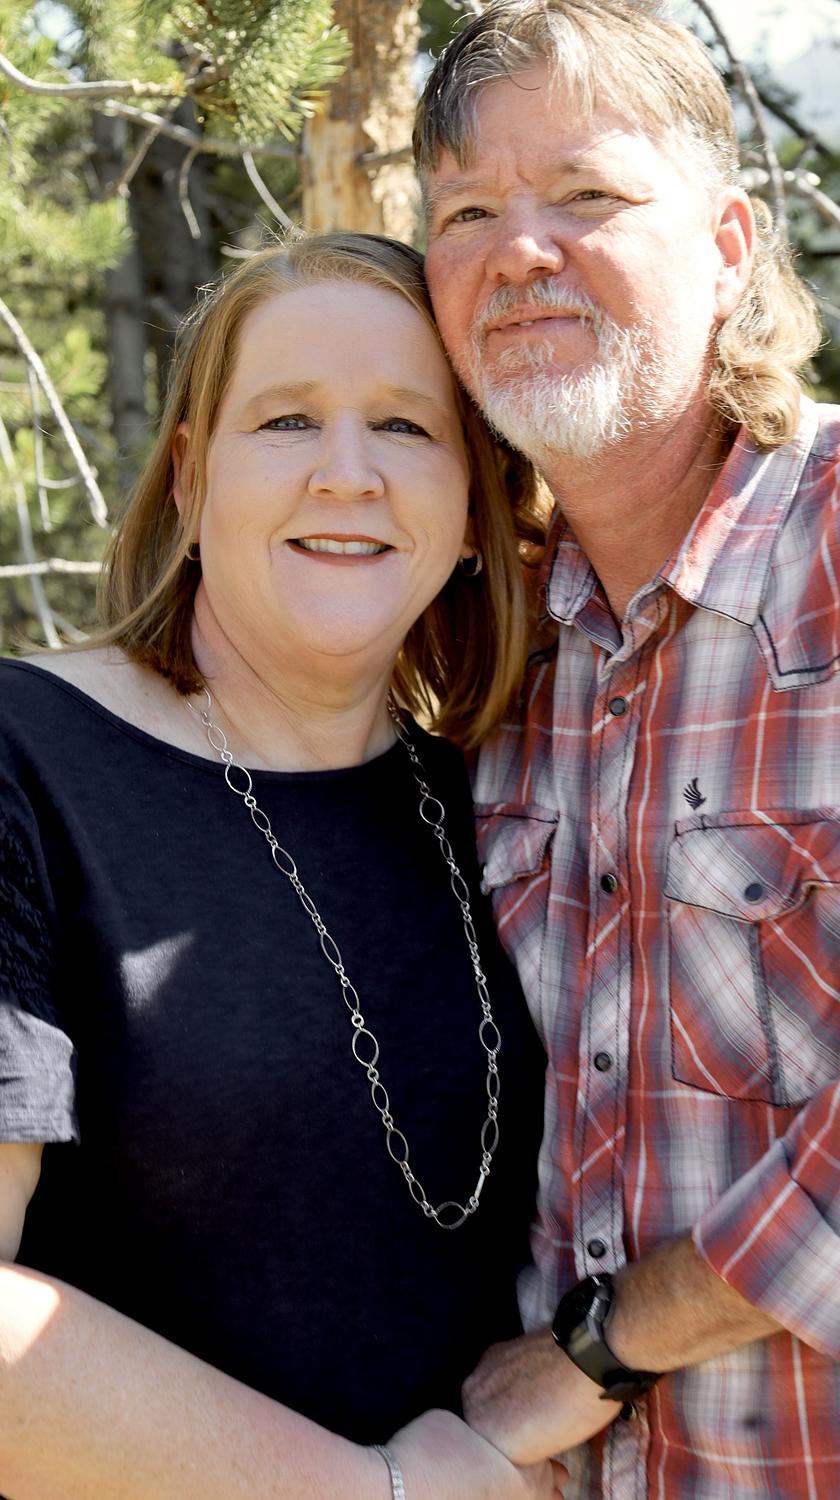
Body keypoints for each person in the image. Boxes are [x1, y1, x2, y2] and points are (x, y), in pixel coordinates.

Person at [414, 2, 840, 1494]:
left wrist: (609, 1345)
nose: (519, 249)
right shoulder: (487, 646)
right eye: (466, 212)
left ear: (731, 247)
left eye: (586, 194)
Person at [0, 232, 566, 1500]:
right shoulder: (23, 761)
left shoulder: (509, 805)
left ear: (474, 511)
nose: (346, 475)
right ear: (191, 478)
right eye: (287, 420)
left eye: (406, 427)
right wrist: (374, 1491)